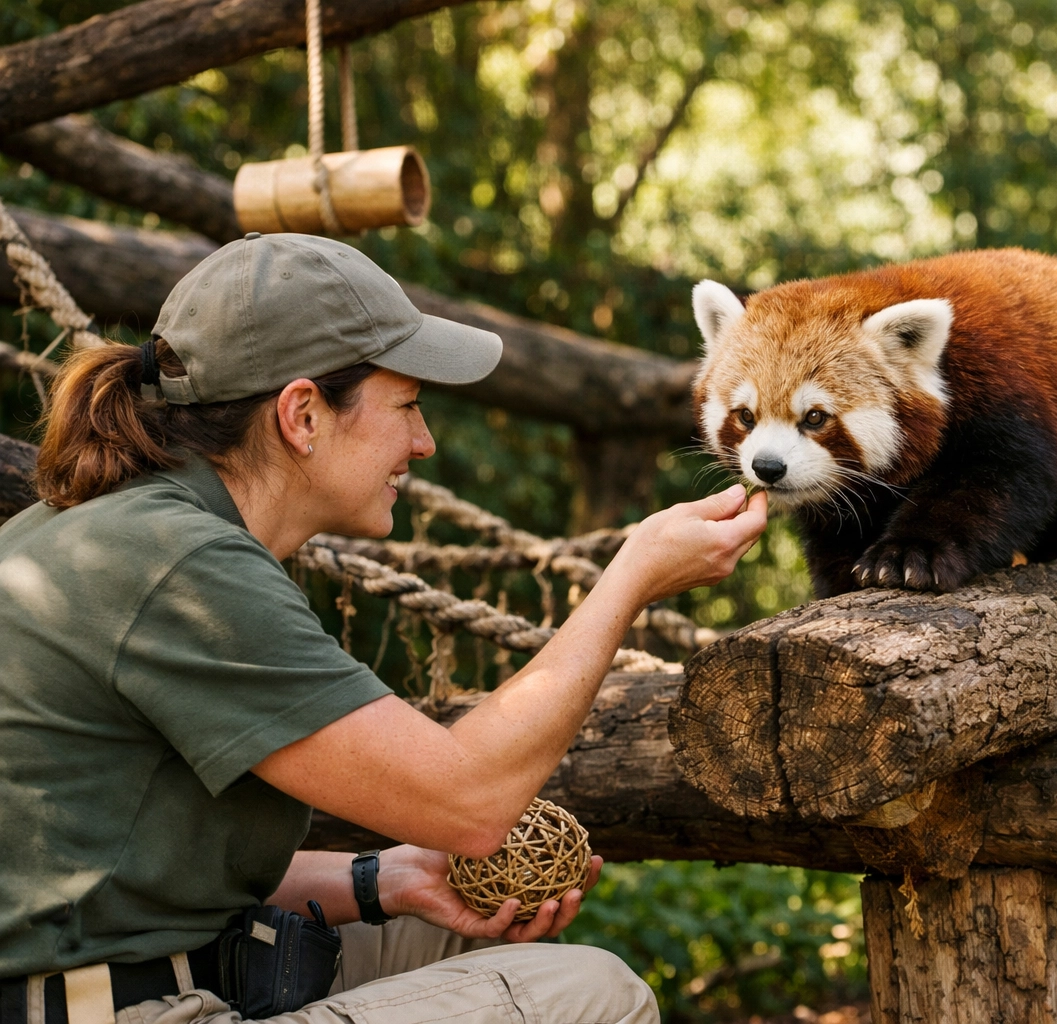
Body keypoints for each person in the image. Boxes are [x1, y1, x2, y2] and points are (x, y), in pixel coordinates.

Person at [0, 233, 768, 1024]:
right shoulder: (178, 566)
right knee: (595, 994)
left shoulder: (134, 533)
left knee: (460, 942)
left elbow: (136, 877)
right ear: (302, 414)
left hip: (124, 971)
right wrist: (631, 575)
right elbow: (470, 801)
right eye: (406, 405)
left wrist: (382, 881)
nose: (423, 442)